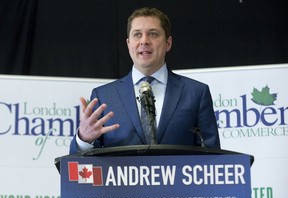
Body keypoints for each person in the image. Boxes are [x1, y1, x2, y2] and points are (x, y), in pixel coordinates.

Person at [69, 7, 220, 154]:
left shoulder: (196, 93)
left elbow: (213, 160)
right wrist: (84, 139)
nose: (144, 41)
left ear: (168, 43)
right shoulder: (104, 96)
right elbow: (79, 166)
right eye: (137, 35)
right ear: (128, 44)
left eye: (153, 34)